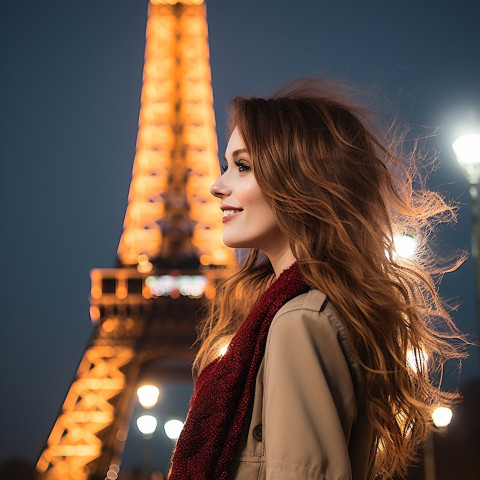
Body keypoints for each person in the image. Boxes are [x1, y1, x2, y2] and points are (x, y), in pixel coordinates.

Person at [168, 79, 467, 480]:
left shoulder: (300, 321)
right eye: (226, 165)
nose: (217, 185)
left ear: (297, 179)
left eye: (241, 166)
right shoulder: (297, 313)